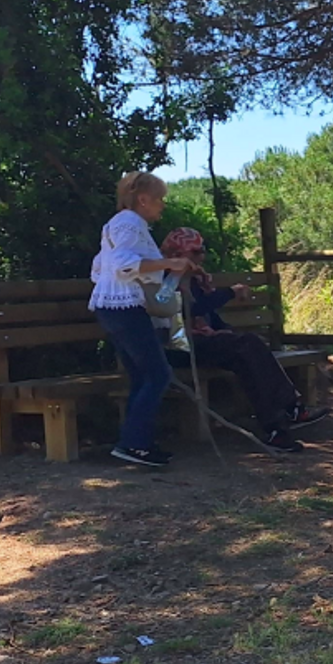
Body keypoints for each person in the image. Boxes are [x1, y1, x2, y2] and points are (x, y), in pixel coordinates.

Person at [157, 226, 331, 454]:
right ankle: (291, 409)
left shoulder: (197, 281)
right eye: (195, 252)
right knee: (248, 346)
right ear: (177, 254)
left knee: (247, 354)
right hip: (178, 347)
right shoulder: (167, 280)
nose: (202, 257)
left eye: (202, 251)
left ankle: (277, 431)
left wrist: (224, 331)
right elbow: (187, 309)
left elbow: (211, 318)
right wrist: (229, 293)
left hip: (203, 343)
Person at [89, 173, 189, 467]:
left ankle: (136, 443)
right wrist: (169, 262)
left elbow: (100, 268)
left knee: (142, 376)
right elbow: (122, 265)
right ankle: (134, 443)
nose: (162, 206)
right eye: (159, 199)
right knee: (158, 374)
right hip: (124, 308)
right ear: (143, 199)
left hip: (111, 306)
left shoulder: (117, 225)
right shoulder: (130, 223)